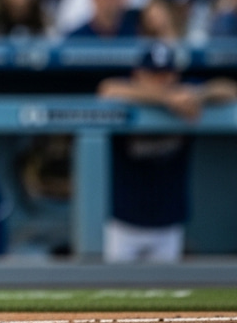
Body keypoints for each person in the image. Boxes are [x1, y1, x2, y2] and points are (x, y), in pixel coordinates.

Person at [98, 41, 237, 263]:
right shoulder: (129, 94)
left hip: (168, 223)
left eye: (167, 74)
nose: (163, 81)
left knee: (163, 293)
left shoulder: (186, 94)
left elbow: (229, 89)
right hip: (123, 223)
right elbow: (107, 89)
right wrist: (166, 98)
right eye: (154, 74)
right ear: (138, 75)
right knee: (113, 290)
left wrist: (197, 95)